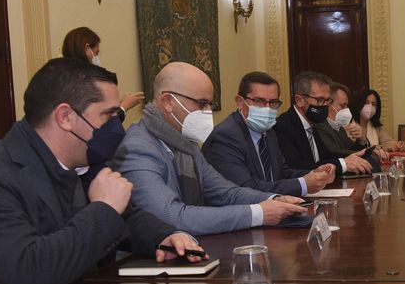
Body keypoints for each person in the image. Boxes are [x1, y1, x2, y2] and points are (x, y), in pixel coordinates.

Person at [0, 58, 205, 284]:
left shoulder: (85, 161)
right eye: (108, 115)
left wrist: (166, 236)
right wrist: (103, 208)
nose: (116, 127)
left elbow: (125, 217)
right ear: (66, 117)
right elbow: (31, 273)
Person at [112, 62, 306, 235]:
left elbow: (225, 192)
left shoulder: (186, 143)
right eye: (202, 103)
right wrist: (258, 213)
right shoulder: (137, 148)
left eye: (209, 104)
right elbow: (173, 217)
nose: (207, 112)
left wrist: (275, 199)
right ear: (168, 102)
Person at [202, 71, 335, 196]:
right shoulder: (225, 136)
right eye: (259, 101)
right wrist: (303, 184)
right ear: (240, 102)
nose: (267, 109)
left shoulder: (268, 131)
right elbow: (245, 188)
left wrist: (314, 174)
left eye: (273, 102)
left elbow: (282, 173)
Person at [274, 71, 372, 174]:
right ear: (300, 100)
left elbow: (325, 158)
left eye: (327, 101)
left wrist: (356, 157)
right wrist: (343, 164)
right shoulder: (283, 126)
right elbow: (297, 167)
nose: (325, 106)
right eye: (320, 100)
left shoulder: (313, 123)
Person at [61, 27, 144, 120]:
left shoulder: (63, 80)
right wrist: (124, 107)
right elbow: (100, 127)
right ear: (87, 49)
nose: (97, 57)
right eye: (96, 53)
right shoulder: (85, 85)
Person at [315, 82, 389, 162]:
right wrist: (368, 153)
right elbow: (334, 152)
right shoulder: (319, 125)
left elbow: (350, 148)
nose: (347, 109)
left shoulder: (338, 127)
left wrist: (362, 140)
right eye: (343, 105)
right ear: (328, 104)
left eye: (347, 105)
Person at [349, 88, 405, 153]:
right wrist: (382, 147)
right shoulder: (349, 125)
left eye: (373, 104)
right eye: (366, 103)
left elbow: (388, 142)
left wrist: (398, 145)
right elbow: (354, 149)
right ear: (358, 103)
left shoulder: (376, 127)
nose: (370, 107)